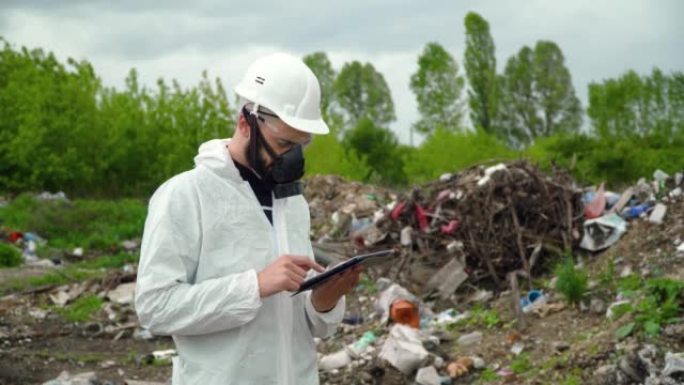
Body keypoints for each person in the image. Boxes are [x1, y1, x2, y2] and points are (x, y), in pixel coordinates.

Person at [135, 53, 362, 385]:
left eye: (301, 145)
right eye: (284, 143)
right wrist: (253, 286)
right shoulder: (185, 195)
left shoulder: (292, 202)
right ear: (246, 123)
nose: (292, 159)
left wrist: (324, 302)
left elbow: (303, 324)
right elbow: (155, 307)